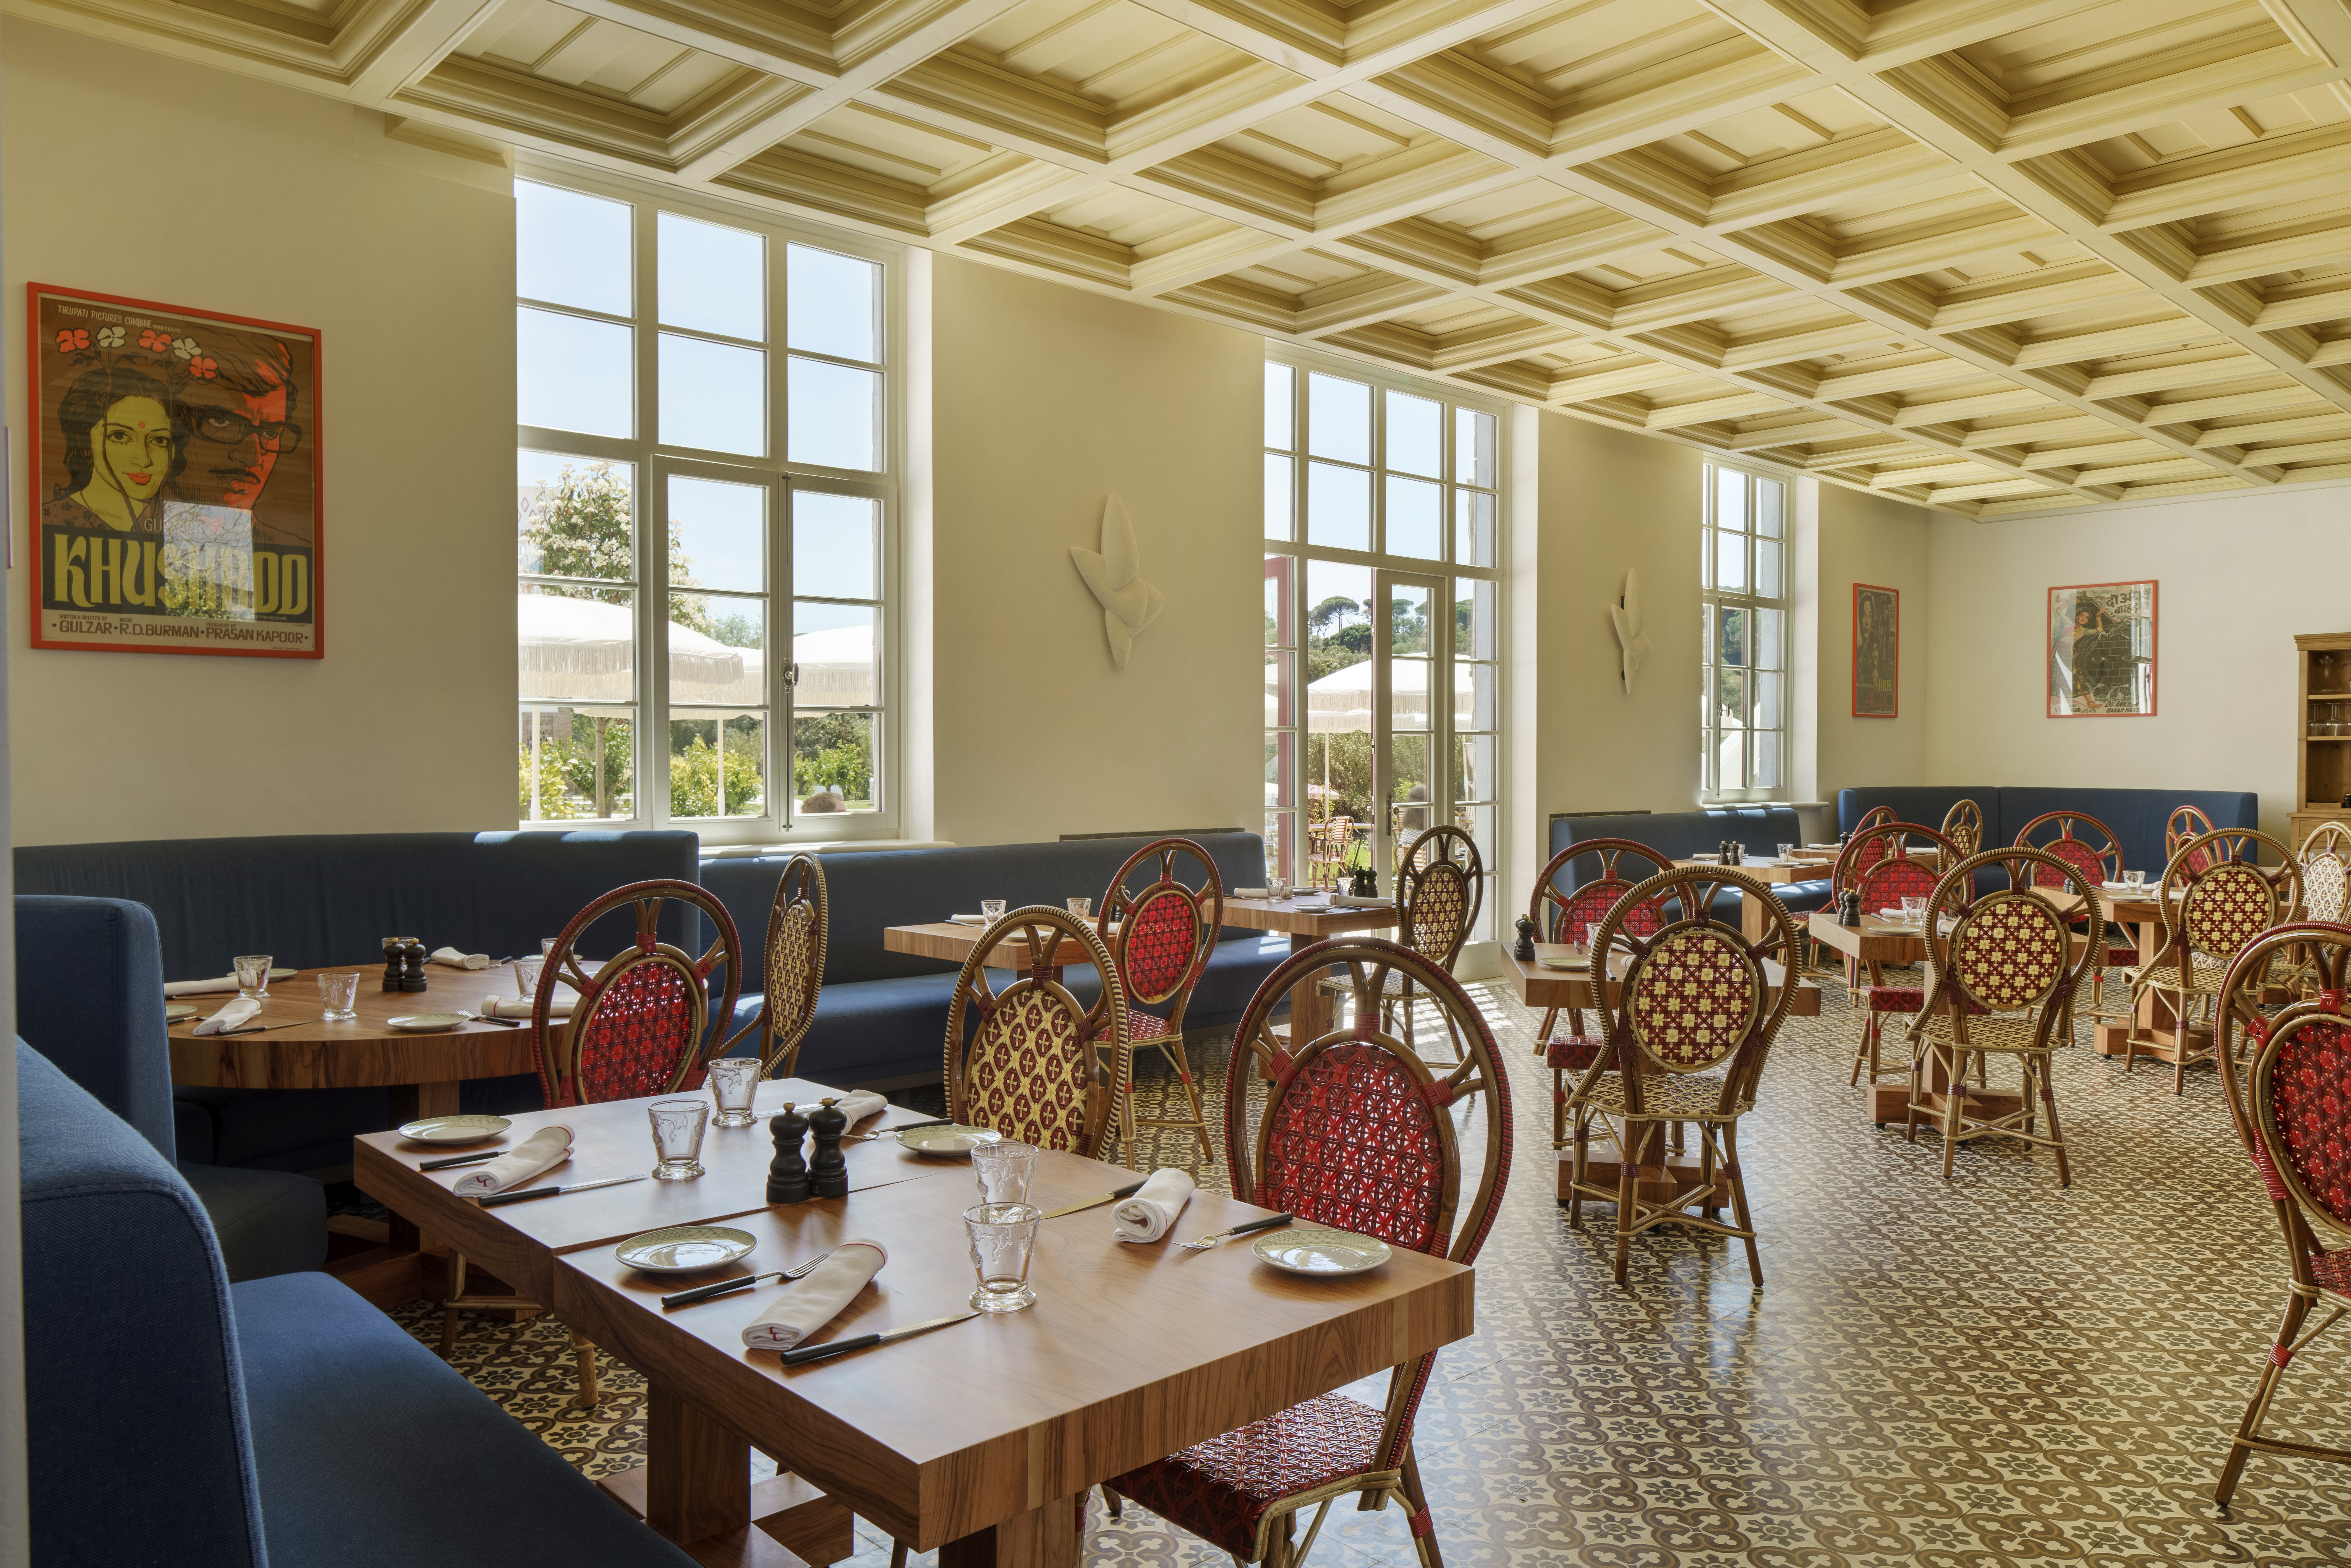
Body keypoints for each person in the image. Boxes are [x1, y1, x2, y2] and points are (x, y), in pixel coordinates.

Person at [170, 331, 307, 548]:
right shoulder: (131, 538)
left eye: (270, 433)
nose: (253, 458)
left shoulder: (290, 551)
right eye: (222, 423)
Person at [43, 365, 184, 533]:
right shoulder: (50, 522)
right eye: (120, 437)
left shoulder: (174, 529)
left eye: (159, 440)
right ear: (85, 440)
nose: (144, 460)